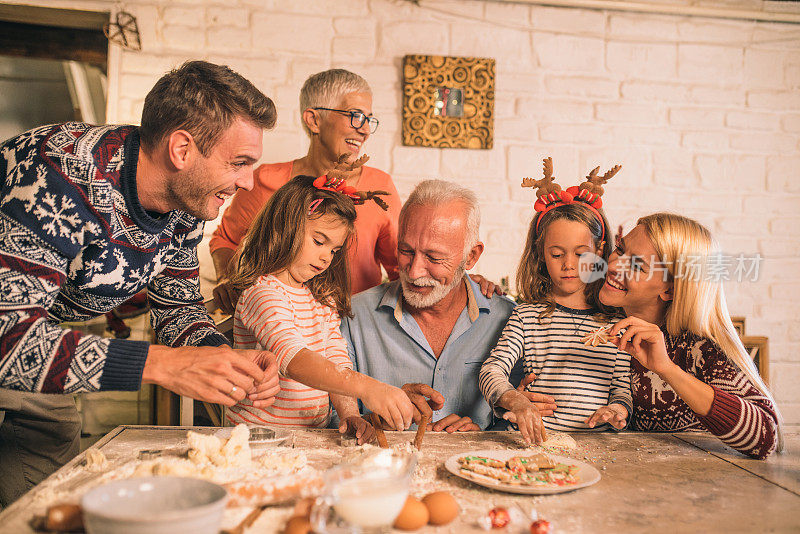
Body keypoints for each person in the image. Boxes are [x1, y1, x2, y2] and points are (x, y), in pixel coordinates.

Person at [0, 61, 281, 506]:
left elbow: (177, 306)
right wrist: (165, 365)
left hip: (37, 333)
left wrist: (225, 360)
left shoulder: (187, 205)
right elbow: (7, 339)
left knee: (49, 503)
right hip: (11, 334)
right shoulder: (57, 175)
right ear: (182, 150)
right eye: (239, 163)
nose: (248, 182)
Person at [226, 172, 414, 442]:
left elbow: (336, 360)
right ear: (284, 227)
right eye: (319, 241)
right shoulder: (263, 293)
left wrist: (349, 413)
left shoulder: (321, 298)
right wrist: (368, 388)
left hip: (311, 436)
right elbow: (293, 360)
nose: (327, 256)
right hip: (261, 439)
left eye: (335, 250)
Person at [342, 180, 526, 432]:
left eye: (434, 257)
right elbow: (327, 420)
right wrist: (379, 421)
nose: (415, 271)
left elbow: (522, 417)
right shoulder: (354, 317)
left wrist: (484, 438)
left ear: (471, 256)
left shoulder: (510, 321)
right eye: (406, 251)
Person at [210, 69, 400, 313]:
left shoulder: (380, 187)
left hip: (351, 328)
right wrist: (227, 280)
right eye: (355, 116)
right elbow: (225, 239)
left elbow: (400, 269)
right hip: (277, 322)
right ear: (314, 120)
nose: (364, 130)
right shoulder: (264, 180)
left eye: (368, 120)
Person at [600, 212, 782, 459]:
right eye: (620, 250)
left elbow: (765, 436)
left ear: (670, 289)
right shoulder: (599, 325)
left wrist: (667, 369)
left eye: (636, 265)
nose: (612, 266)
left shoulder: (699, 347)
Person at [479, 160, 632, 445]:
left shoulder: (616, 324)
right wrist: (515, 400)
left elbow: (622, 389)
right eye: (557, 254)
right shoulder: (526, 316)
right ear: (540, 253)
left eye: (580, 253)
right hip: (533, 443)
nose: (569, 265)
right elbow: (492, 369)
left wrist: (618, 410)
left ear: (600, 250)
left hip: (597, 448)